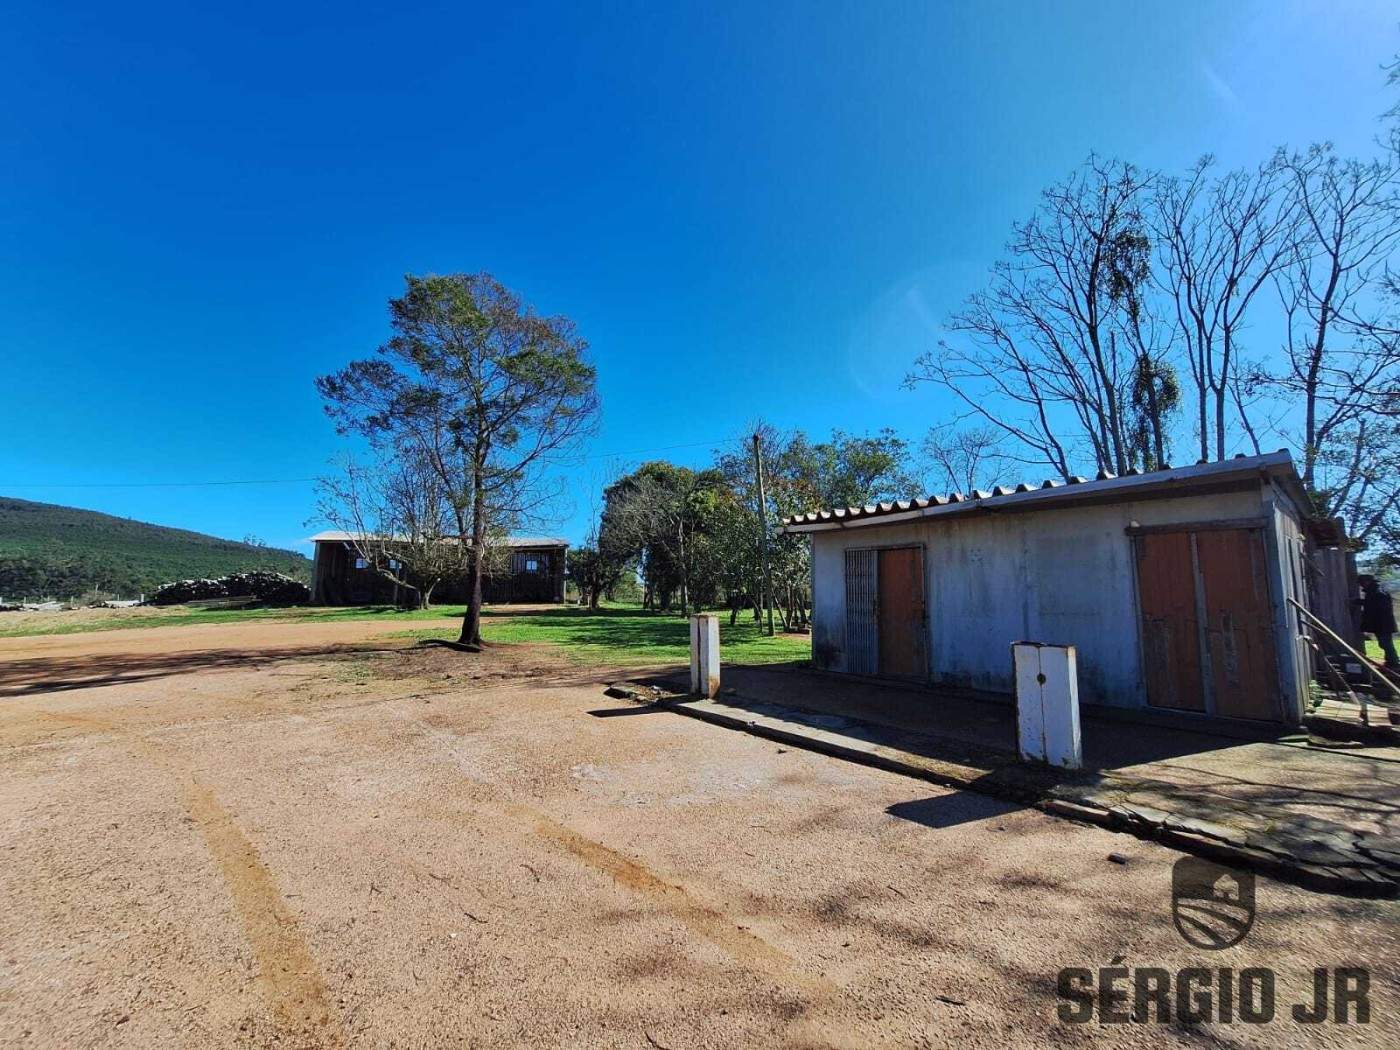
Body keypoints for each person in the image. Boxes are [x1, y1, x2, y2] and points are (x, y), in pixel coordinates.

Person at [1357, 574, 1399, 669]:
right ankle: (1390, 661)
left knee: (1385, 643)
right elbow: (1372, 602)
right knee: (1384, 643)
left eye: (1362, 583)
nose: (1361, 585)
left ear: (1367, 582)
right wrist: (1360, 602)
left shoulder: (1378, 591)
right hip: (1381, 623)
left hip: (1382, 623)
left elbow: (1377, 605)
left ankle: (1394, 662)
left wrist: (1364, 605)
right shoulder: (1374, 591)